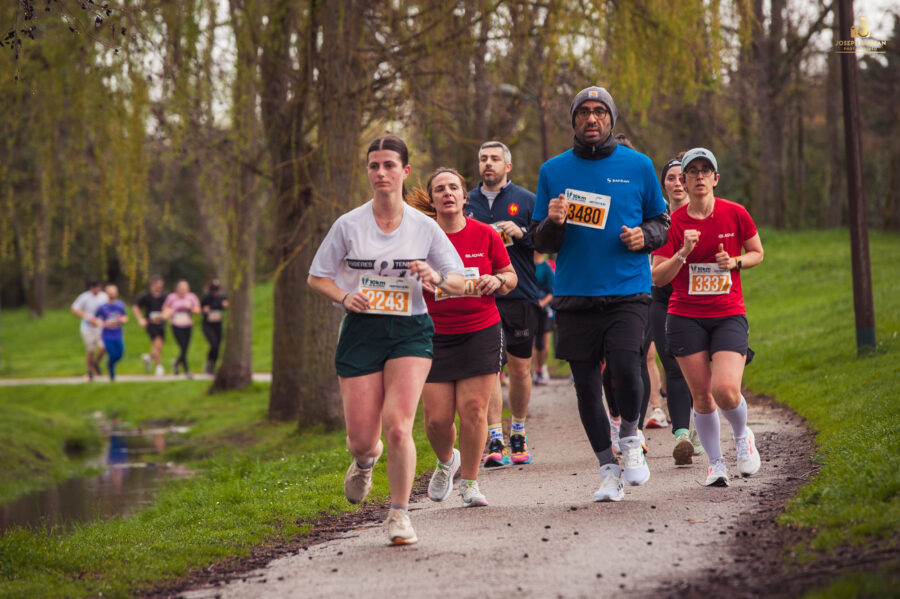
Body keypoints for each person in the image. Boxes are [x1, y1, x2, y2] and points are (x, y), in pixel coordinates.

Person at [307, 135, 465, 545]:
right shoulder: (349, 225)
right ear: (368, 171)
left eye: (389, 165)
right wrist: (344, 295)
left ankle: (399, 515)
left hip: (409, 330)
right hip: (362, 330)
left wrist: (434, 279)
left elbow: (459, 278)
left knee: (398, 427)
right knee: (363, 437)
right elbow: (316, 275)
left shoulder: (424, 226)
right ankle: (364, 461)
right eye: (374, 165)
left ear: (405, 171)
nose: (381, 173)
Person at [531, 86, 669, 502]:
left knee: (628, 369)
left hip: (627, 291)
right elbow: (542, 239)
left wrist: (643, 236)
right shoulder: (553, 170)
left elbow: (661, 222)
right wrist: (554, 223)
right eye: (584, 112)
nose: (592, 119)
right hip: (575, 294)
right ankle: (607, 471)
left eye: (600, 112)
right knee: (586, 385)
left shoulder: (638, 165)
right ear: (574, 121)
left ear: (611, 119)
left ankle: (629, 436)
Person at [651, 147, 764, 486]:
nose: (699, 176)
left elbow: (757, 252)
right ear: (683, 181)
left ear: (716, 178)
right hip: (685, 316)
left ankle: (743, 435)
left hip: (728, 312)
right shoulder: (673, 223)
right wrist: (683, 252)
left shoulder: (735, 213)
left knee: (726, 390)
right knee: (701, 397)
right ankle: (716, 464)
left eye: (705, 170)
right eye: (692, 171)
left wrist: (736, 262)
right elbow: (658, 277)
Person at [409, 167, 517, 508]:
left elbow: (510, 275)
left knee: (474, 410)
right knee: (437, 419)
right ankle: (446, 461)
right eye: (440, 189)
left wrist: (498, 282)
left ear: (463, 195)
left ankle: (470, 482)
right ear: (433, 198)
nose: (447, 193)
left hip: (480, 329)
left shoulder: (485, 234)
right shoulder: (419, 239)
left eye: (453, 187)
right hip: (433, 334)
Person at [466, 141, 543, 467]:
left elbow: (547, 242)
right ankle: (495, 436)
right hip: (479, 296)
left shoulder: (527, 200)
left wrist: (523, 233)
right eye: (484, 158)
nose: (488, 164)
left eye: (495, 159)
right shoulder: (466, 201)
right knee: (489, 370)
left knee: (520, 368)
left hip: (519, 293)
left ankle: (519, 430)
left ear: (507, 166)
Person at [652, 155, 704, 465]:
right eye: (669, 178)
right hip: (661, 298)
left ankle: (701, 424)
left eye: (679, 177)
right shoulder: (655, 218)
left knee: (699, 369)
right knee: (672, 366)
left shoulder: (703, 215)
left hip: (698, 299)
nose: (676, 183)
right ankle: (681, 435)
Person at [71, 279, 108, 381]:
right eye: (94, 287)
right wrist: (85, 316)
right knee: (90, 350)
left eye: (98, 287)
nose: (97, 289)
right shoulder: (85, 297)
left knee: (103, 348)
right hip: (87, 328)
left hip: (100, 327)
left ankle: (95, 363)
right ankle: (90, 371)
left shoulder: (104, 296)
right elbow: (74, 308)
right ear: (91, 288)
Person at [162, 280, 201, 378]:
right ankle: (187, 371)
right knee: (183, 347)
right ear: (177, 289)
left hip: (187, 325)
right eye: (181, 288)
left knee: (185, 348)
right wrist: (170, 311)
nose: (183, 290)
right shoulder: (171, 297)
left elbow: (198, 311)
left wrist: (190, 308)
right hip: (176, 324)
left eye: (185, 288)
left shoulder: (192, 297)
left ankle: (176, 363)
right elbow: (165, 309)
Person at [132, 276, 168, 376]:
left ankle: (148, 357)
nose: (159, 287)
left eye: (161, 285)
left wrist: (166, 314)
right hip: (150, 324)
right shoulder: (145, 296)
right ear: (152, 285)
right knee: (157, 343)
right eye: (157, 285)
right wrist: (140, 319)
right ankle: (158, 366)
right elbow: (135, 307)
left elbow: (170, 306)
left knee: (159, 346)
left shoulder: (165, 296)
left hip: (161, 324)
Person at [93, 284, 128, 381]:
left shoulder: (120, 305)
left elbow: (125, 317)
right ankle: (112, 374)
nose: (112, 295)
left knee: (120, 354)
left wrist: (121, 320)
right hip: (107, 335)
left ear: (117, 293)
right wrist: (102, 324)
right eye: (110, 293)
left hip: (118, 334)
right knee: (112, 354)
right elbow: (95, 320)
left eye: (114, 292)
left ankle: (109, 364)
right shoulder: (102, 307)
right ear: (107, 294)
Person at [532, 251, 554, 385]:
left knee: (544, 345)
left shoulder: (546, 268)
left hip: (544, 310)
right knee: (532, 343)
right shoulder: (527, 265)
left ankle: (541, 367)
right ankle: (536, 370)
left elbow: (552, 292)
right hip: (530, 309)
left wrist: (542, 303)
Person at [201, 279, 228, 375]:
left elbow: (226, 305)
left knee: (218, 346)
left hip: (218, 325)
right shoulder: (207, 298)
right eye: (215, 291)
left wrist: (225, 306)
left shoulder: (222, 297)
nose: (217, 293)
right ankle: (209, 363)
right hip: (208, 325)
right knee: (214, 344)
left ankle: (213, 365)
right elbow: (202, 308)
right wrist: (204, 310)